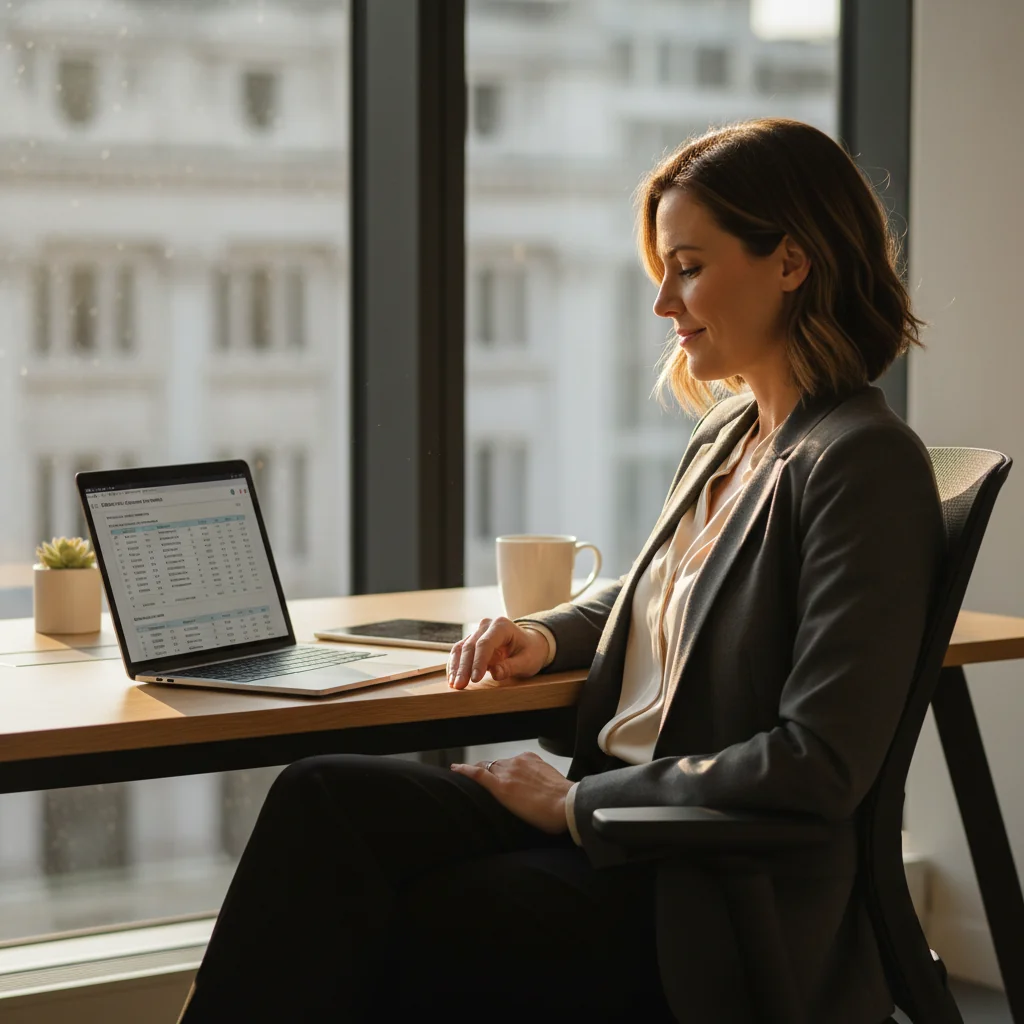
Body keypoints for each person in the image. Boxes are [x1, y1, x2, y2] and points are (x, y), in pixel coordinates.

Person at [179, 118, 943, 1023]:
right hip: (618, 815)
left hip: (700, 876)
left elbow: (817, 763)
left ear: (792, 261)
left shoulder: (862, 461)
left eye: (690, 266)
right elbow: (668, 587)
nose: (664, 303)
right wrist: (545, 634)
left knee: (440, 913)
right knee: (326, 798)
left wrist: (578, 804)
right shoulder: (730, 434)